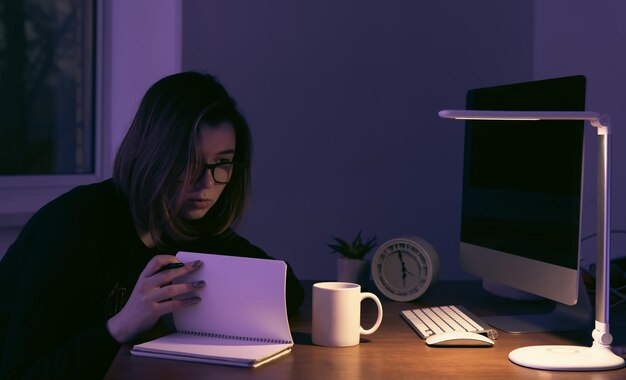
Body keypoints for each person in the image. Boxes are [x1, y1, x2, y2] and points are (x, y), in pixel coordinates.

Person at [0, 71, 304, 379]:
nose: (207, 184)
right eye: (189, 164)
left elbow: (287, 290)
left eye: (222, 163)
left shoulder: (191, 223)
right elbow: (21, 373)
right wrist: (120, 325)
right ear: (153, 156)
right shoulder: (74, 226)